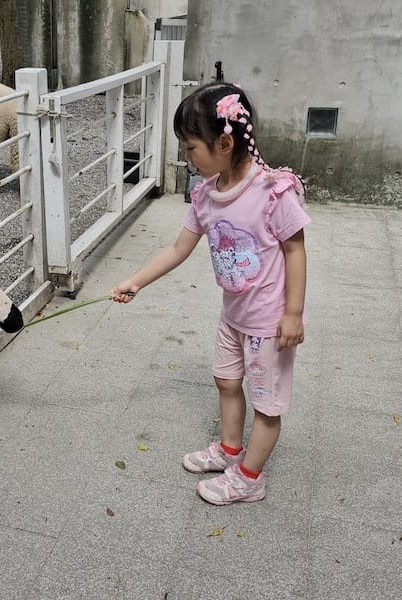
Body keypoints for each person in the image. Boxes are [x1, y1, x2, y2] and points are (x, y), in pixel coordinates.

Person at [111, 82, 310, 505]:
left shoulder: (272, 192)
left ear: (224, 142)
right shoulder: (206, 195)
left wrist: (293, 314)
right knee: (225, 381)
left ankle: (250, 479)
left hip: (268, 324)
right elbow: (178, 248)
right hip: (233, 315)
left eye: (191, 149)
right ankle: (230, 451)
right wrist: (136, 281)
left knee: (267, 404)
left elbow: (295, 250)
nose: (188, 159)